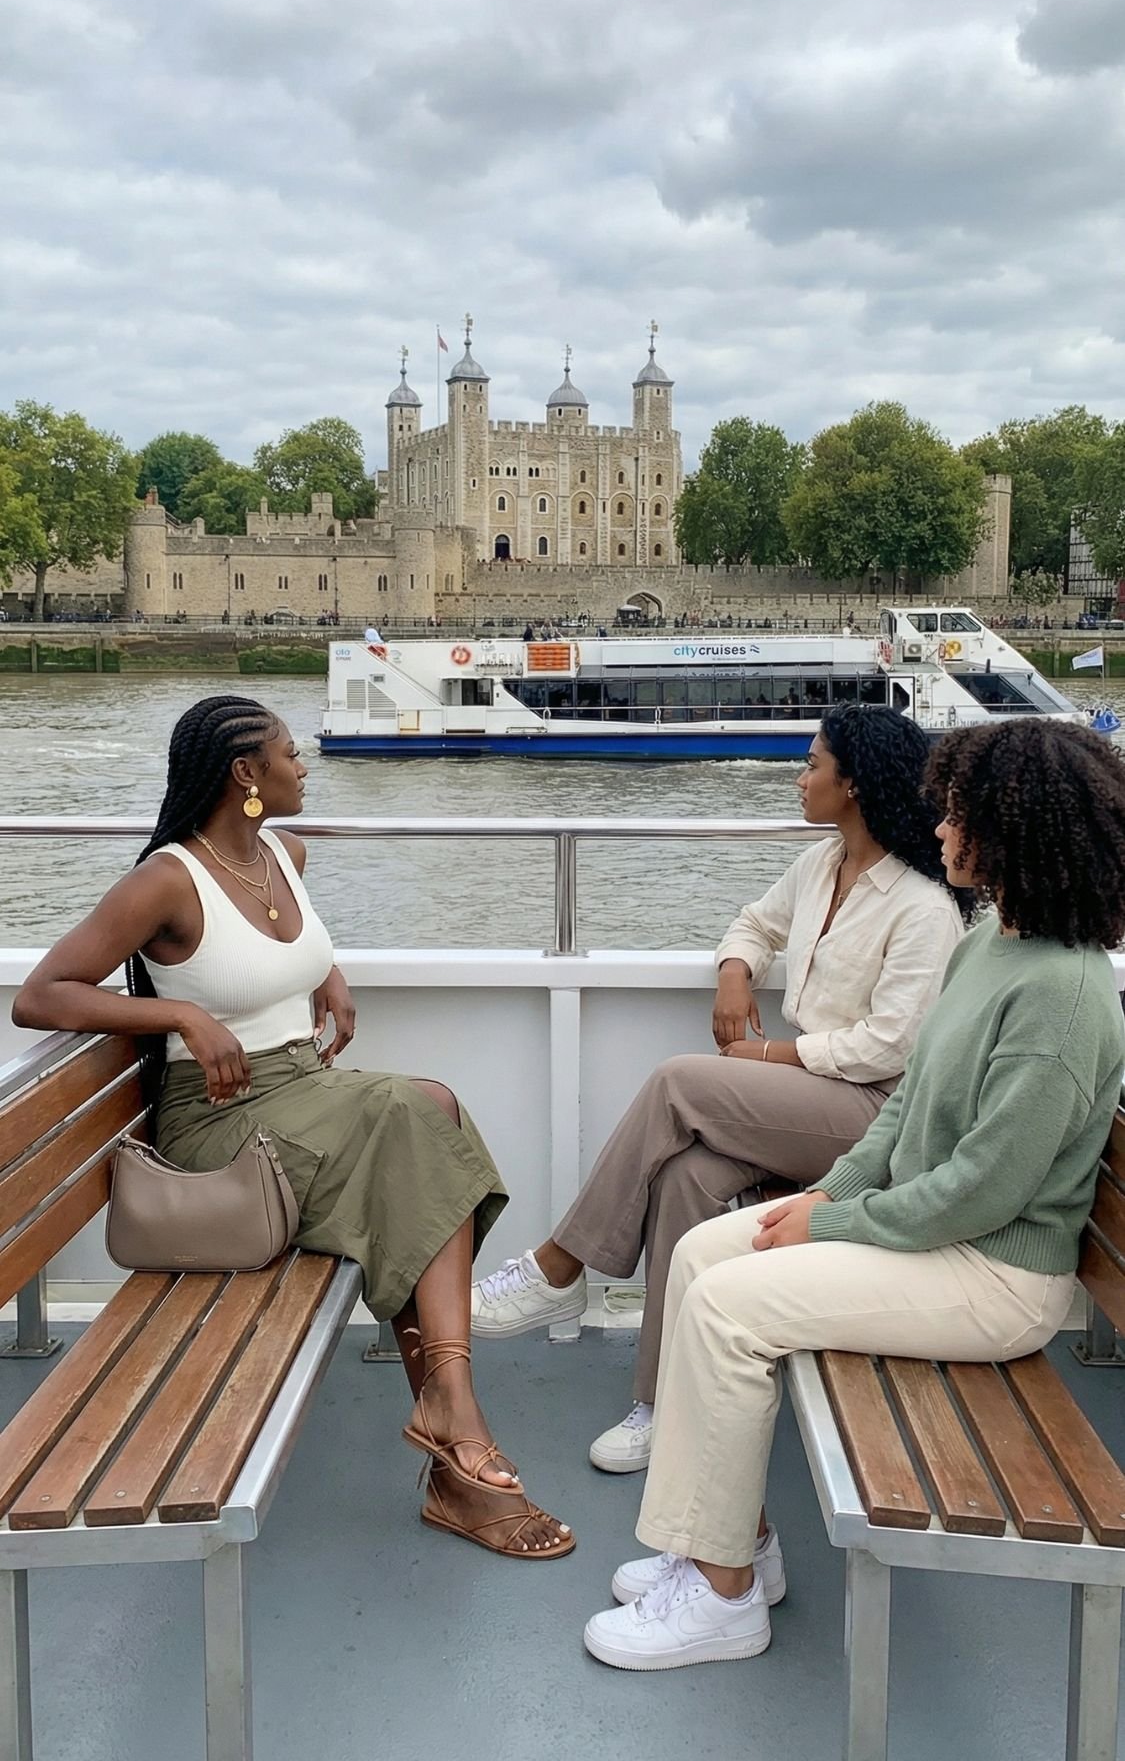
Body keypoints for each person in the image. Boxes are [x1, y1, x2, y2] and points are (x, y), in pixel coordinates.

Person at [582, 715, 1125, 1670]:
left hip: (994, 1277)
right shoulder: (991, 944)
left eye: (958, 817)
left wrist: (834, 1218)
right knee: (704, 1254)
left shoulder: (1062, 999)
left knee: (727, 1308)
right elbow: (904, 1107)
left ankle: (722, 1600)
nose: (940, 830)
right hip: (938, 1236)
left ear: (1015, 832)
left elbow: (982, 1192)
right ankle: (728, 1542)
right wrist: (827, 1192)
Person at [12, 695, 571, 1563]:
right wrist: (180, 1020)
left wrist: (329, 976)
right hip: (220, 1120)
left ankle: (453, 1435)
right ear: (246, 775)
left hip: (300, 1093)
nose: (303, 765)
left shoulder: (284, 851)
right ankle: (456, 1434)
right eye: (289, 753)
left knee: (428, 1109)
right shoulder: (167, 879)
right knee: (411, 1113)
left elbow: (281, 950)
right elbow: (39, 995)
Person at [472, 704, 967, 1473]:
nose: (798, 778)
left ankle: (560, 1267)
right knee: (684, 1177)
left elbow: (888, 1046)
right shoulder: (821, 866)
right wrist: (736, 974)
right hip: (814, 1099)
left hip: (876, 1113)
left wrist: (764, 1053)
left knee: (678, 1081)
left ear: (855, 786)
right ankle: (664, 1399)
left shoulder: (922, 906)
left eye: (811, 765)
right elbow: (752, 924)